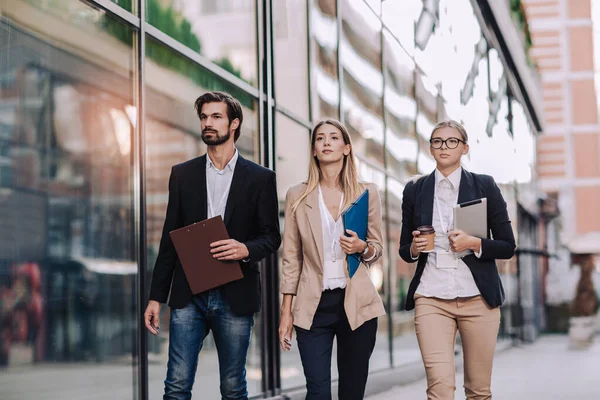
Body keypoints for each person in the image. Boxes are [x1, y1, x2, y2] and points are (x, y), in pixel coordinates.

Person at [144, 91, 281, 400]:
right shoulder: (182, 174)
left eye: (216, 117)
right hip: (188, 293)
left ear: (234, 124)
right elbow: (170, 239)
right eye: (204, 117)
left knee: (233, 387)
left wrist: (244, 249)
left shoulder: (261, 178)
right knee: (176, 386)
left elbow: (272, 236)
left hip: (236, 292)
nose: (208, 123)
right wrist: (156, 297)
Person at [399, 120, 516, 400]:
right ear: (430, 148)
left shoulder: (484, 185)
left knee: (478, 390)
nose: (444, 146)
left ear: (464, 148)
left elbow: (508, 245)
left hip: (478, 298)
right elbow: (405, 249)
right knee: (439, 389)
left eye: (452, 141)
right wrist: (415, 248)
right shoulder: (415, 189)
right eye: (437, 141)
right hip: (431, 296)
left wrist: (473, 243)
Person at [279, 118, 386, 400]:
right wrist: (286, 311)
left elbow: (377, 249)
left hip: (356, 303)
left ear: (347, 148)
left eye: (334, 137)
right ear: (314, 150)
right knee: (317, 392)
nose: (326, 142)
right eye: (320, 138)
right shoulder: (297, 196)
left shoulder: (366, 192)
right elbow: (291, 257)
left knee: (351, 392)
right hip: (313, 305)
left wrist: (362, 247)